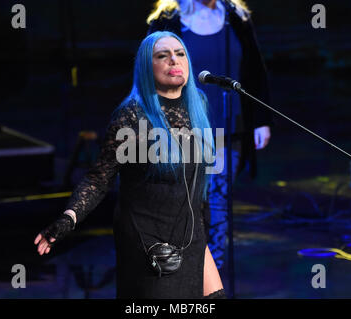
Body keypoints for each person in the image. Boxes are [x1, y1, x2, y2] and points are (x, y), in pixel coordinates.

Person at [34, 31, 226, 299]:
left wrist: (204, 230)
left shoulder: (199, 106)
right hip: (149, 240)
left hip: (190, 236)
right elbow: (99, 178)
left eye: (180, 53)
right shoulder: (131, 115)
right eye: (163, 55)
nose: (174, 60)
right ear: (148, 67)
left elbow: (199, 179)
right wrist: (69, 217)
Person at [147, 0, 273, 269]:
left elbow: (255, 71)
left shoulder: (235, 17)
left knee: (217, 204)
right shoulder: (167, 20)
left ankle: (211, 279)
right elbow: (148, 76)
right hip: (180, 130)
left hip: (228, 129)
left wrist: (261, 119)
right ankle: (179, 276)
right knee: (186, 206)